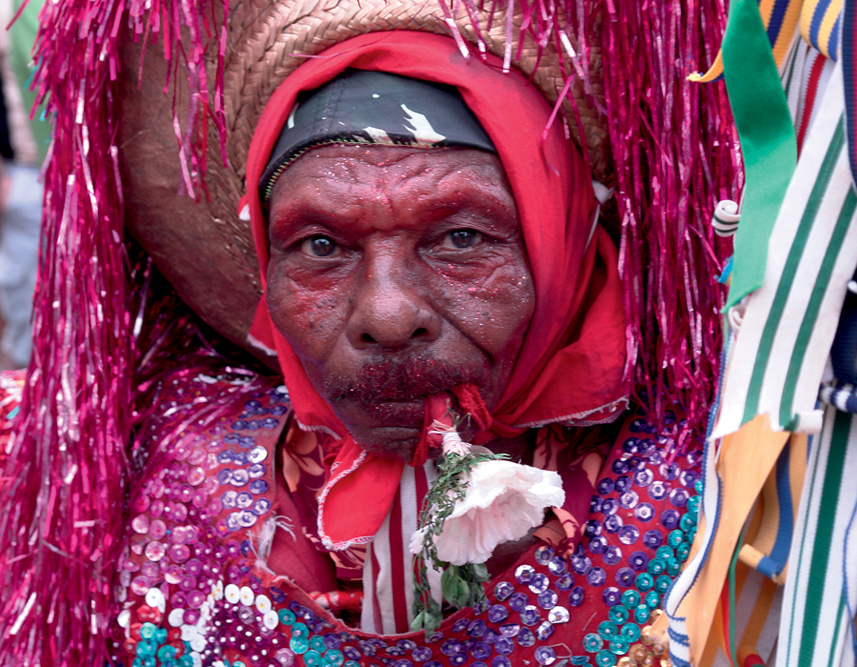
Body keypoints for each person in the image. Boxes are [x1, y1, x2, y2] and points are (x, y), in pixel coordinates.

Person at [0, 1, 732, 666]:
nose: (385, 314)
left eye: (461, 238)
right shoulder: (134, 478)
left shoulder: (725, 489)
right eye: (321, 246)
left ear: (565, 243)